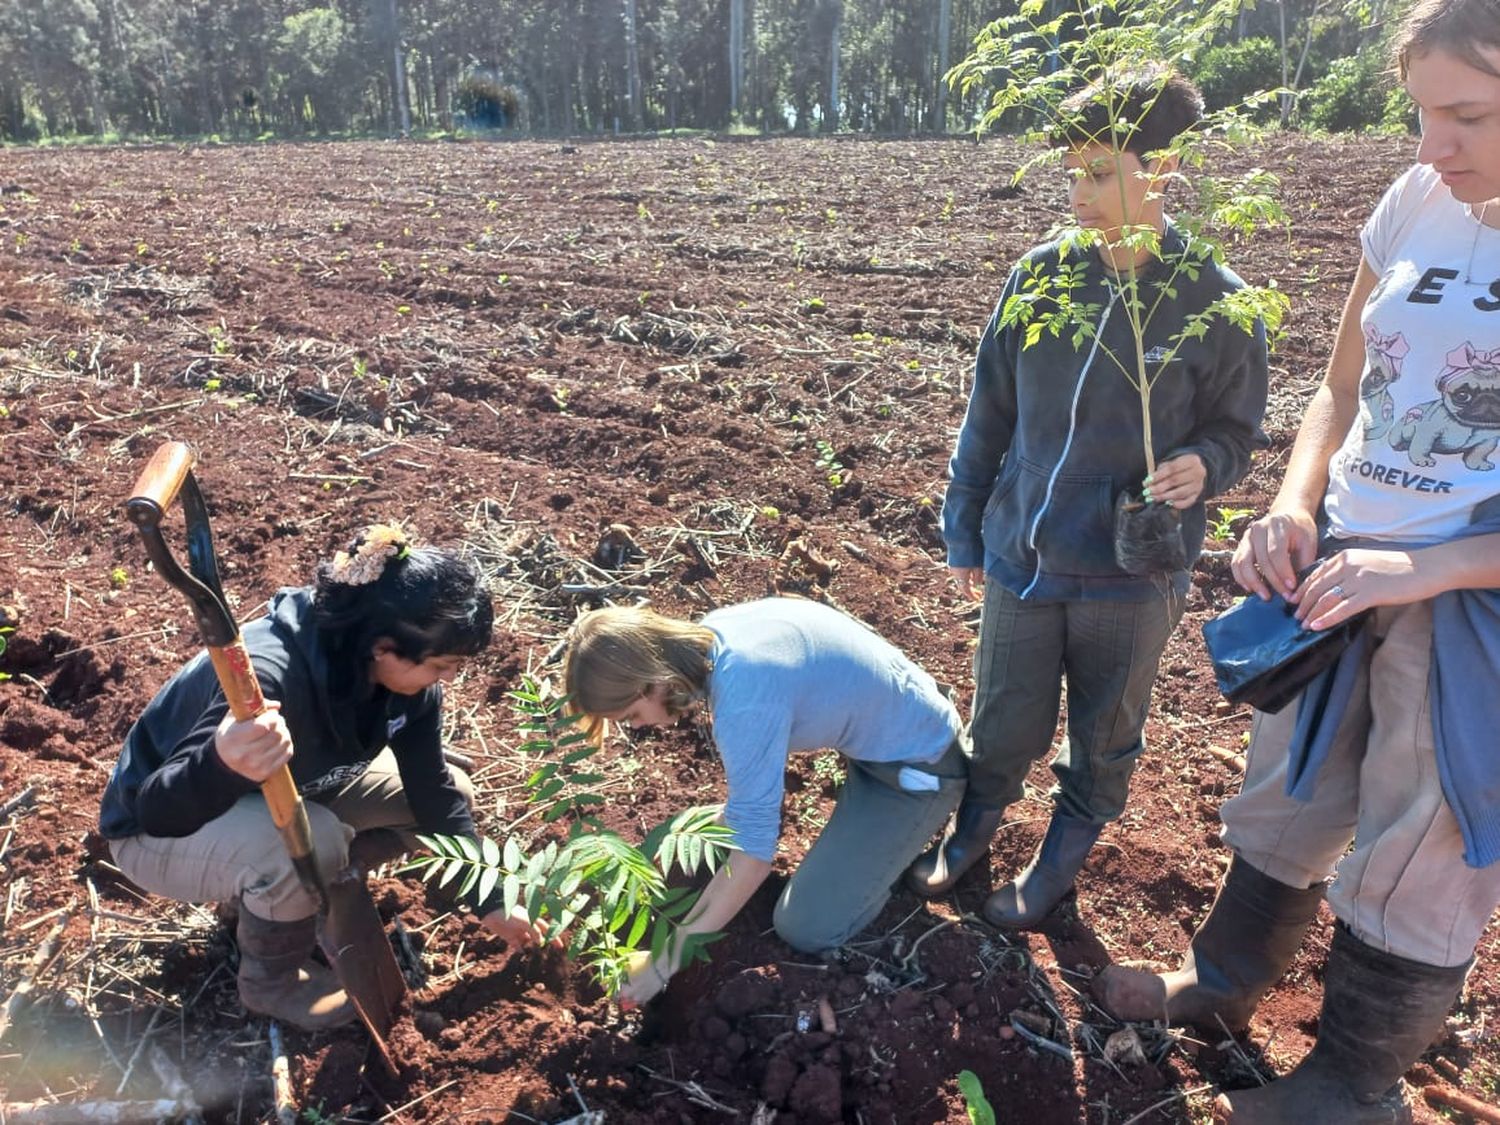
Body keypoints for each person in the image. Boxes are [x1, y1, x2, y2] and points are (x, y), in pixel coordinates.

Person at [1095, 2, 1500, 1120]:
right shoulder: (1418, 199)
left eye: (1467, 115)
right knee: (1288, 787)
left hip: (1469, 606)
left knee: (1422, 843)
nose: (1433, 146)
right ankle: (1223, 985)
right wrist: (1292, 501)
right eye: (1422, 113)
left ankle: (1350, 1088)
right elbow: (1340, 386)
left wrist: (1431, 570)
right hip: (1346, 568)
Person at [906, 68, 1270, 931]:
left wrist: (1203, 465)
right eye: (1073, 170)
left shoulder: (1216, 298)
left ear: (1165, 170)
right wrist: (965, 530)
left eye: (1103, 171)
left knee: (1105, 732)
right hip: (1025, 553)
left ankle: (1062, 853)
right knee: (1001, 718)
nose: (1081, 191)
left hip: (1132, 568)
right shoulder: (1040, 277)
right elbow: (988, 411)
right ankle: (976, 824)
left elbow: (1237, 427)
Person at [100, 526, 542, 1031]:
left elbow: (433, 793)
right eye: (442, 666)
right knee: (317, 836)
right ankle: (270, 983)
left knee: (451, 793)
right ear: (383, 648)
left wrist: (489, 898)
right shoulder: (264, 679)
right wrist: (222, 761)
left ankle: (294, 892)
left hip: (287, 789)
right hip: (156, 831)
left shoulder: (405, 687)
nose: (447, 679)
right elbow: (159, 811)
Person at [562, 597, 967, 1007]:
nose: (639, 727)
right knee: (696, 834)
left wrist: (665, 963)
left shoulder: (743, 699)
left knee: (805, 925)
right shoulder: (713, 634)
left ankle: (893, 854)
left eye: (632, 715)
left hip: (917, 769)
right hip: (891, 726)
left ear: (652, 680)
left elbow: (755, 855)